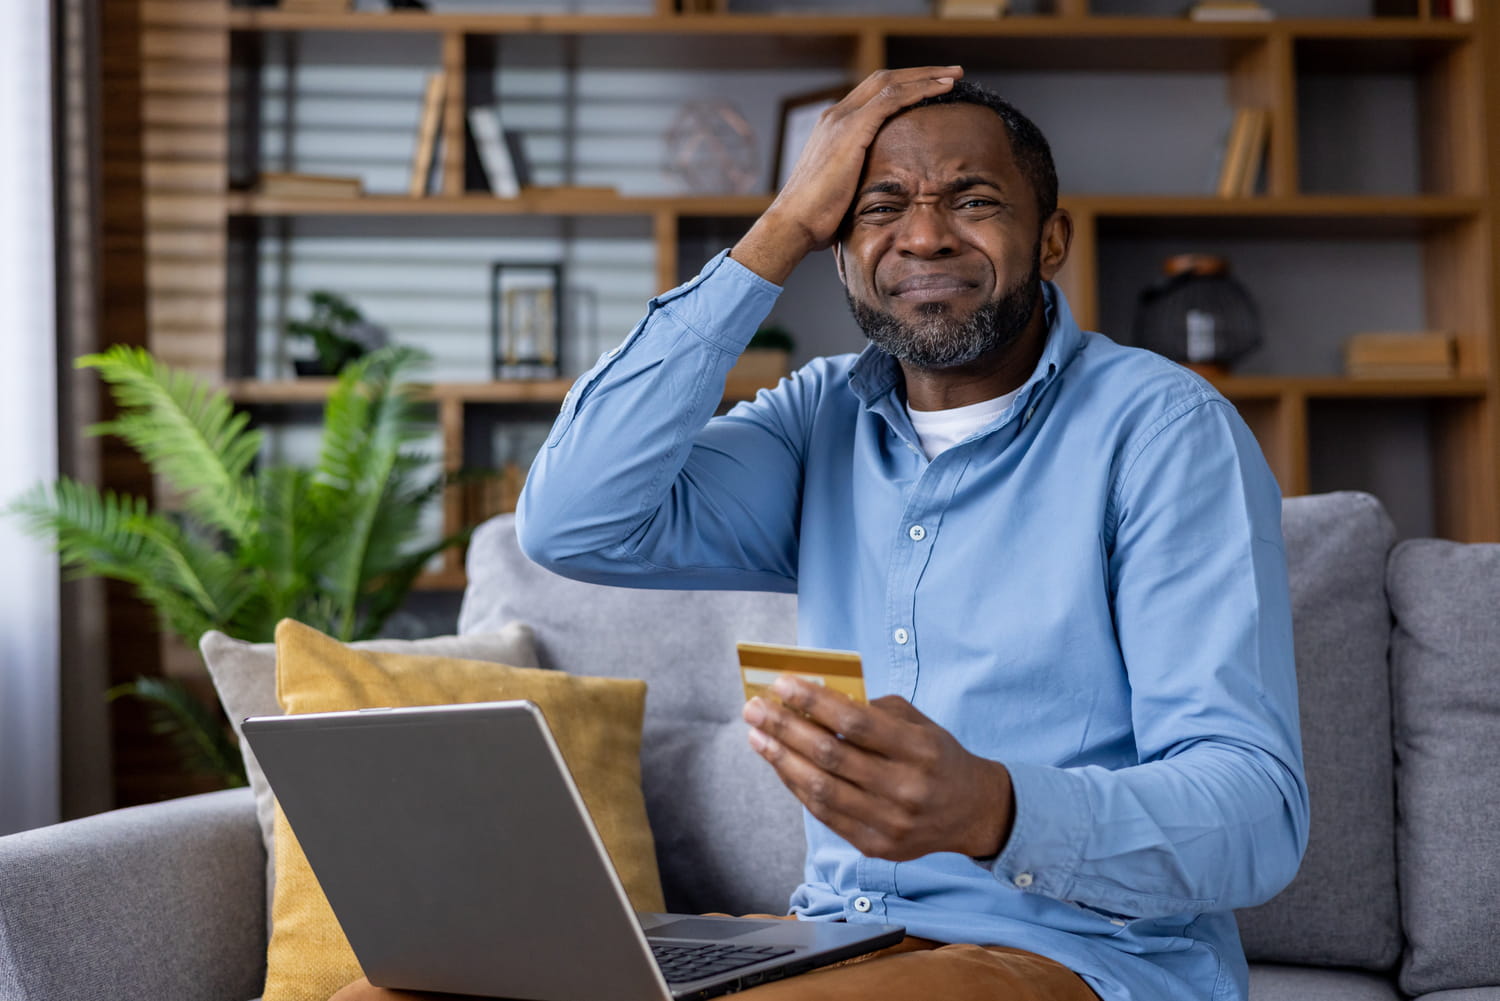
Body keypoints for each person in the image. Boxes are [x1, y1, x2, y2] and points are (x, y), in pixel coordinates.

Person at [335, 67, 1309, 1001]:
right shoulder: (816, 419)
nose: (923, 236)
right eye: (878, 208)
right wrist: (781, 223)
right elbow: (576, 519)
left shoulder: (1166, 432)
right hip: (835, 939)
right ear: (838, 248)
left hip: (1070, 952)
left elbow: (1256, 812)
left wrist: (997, 808)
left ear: (1050, 239)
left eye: (972, 200)